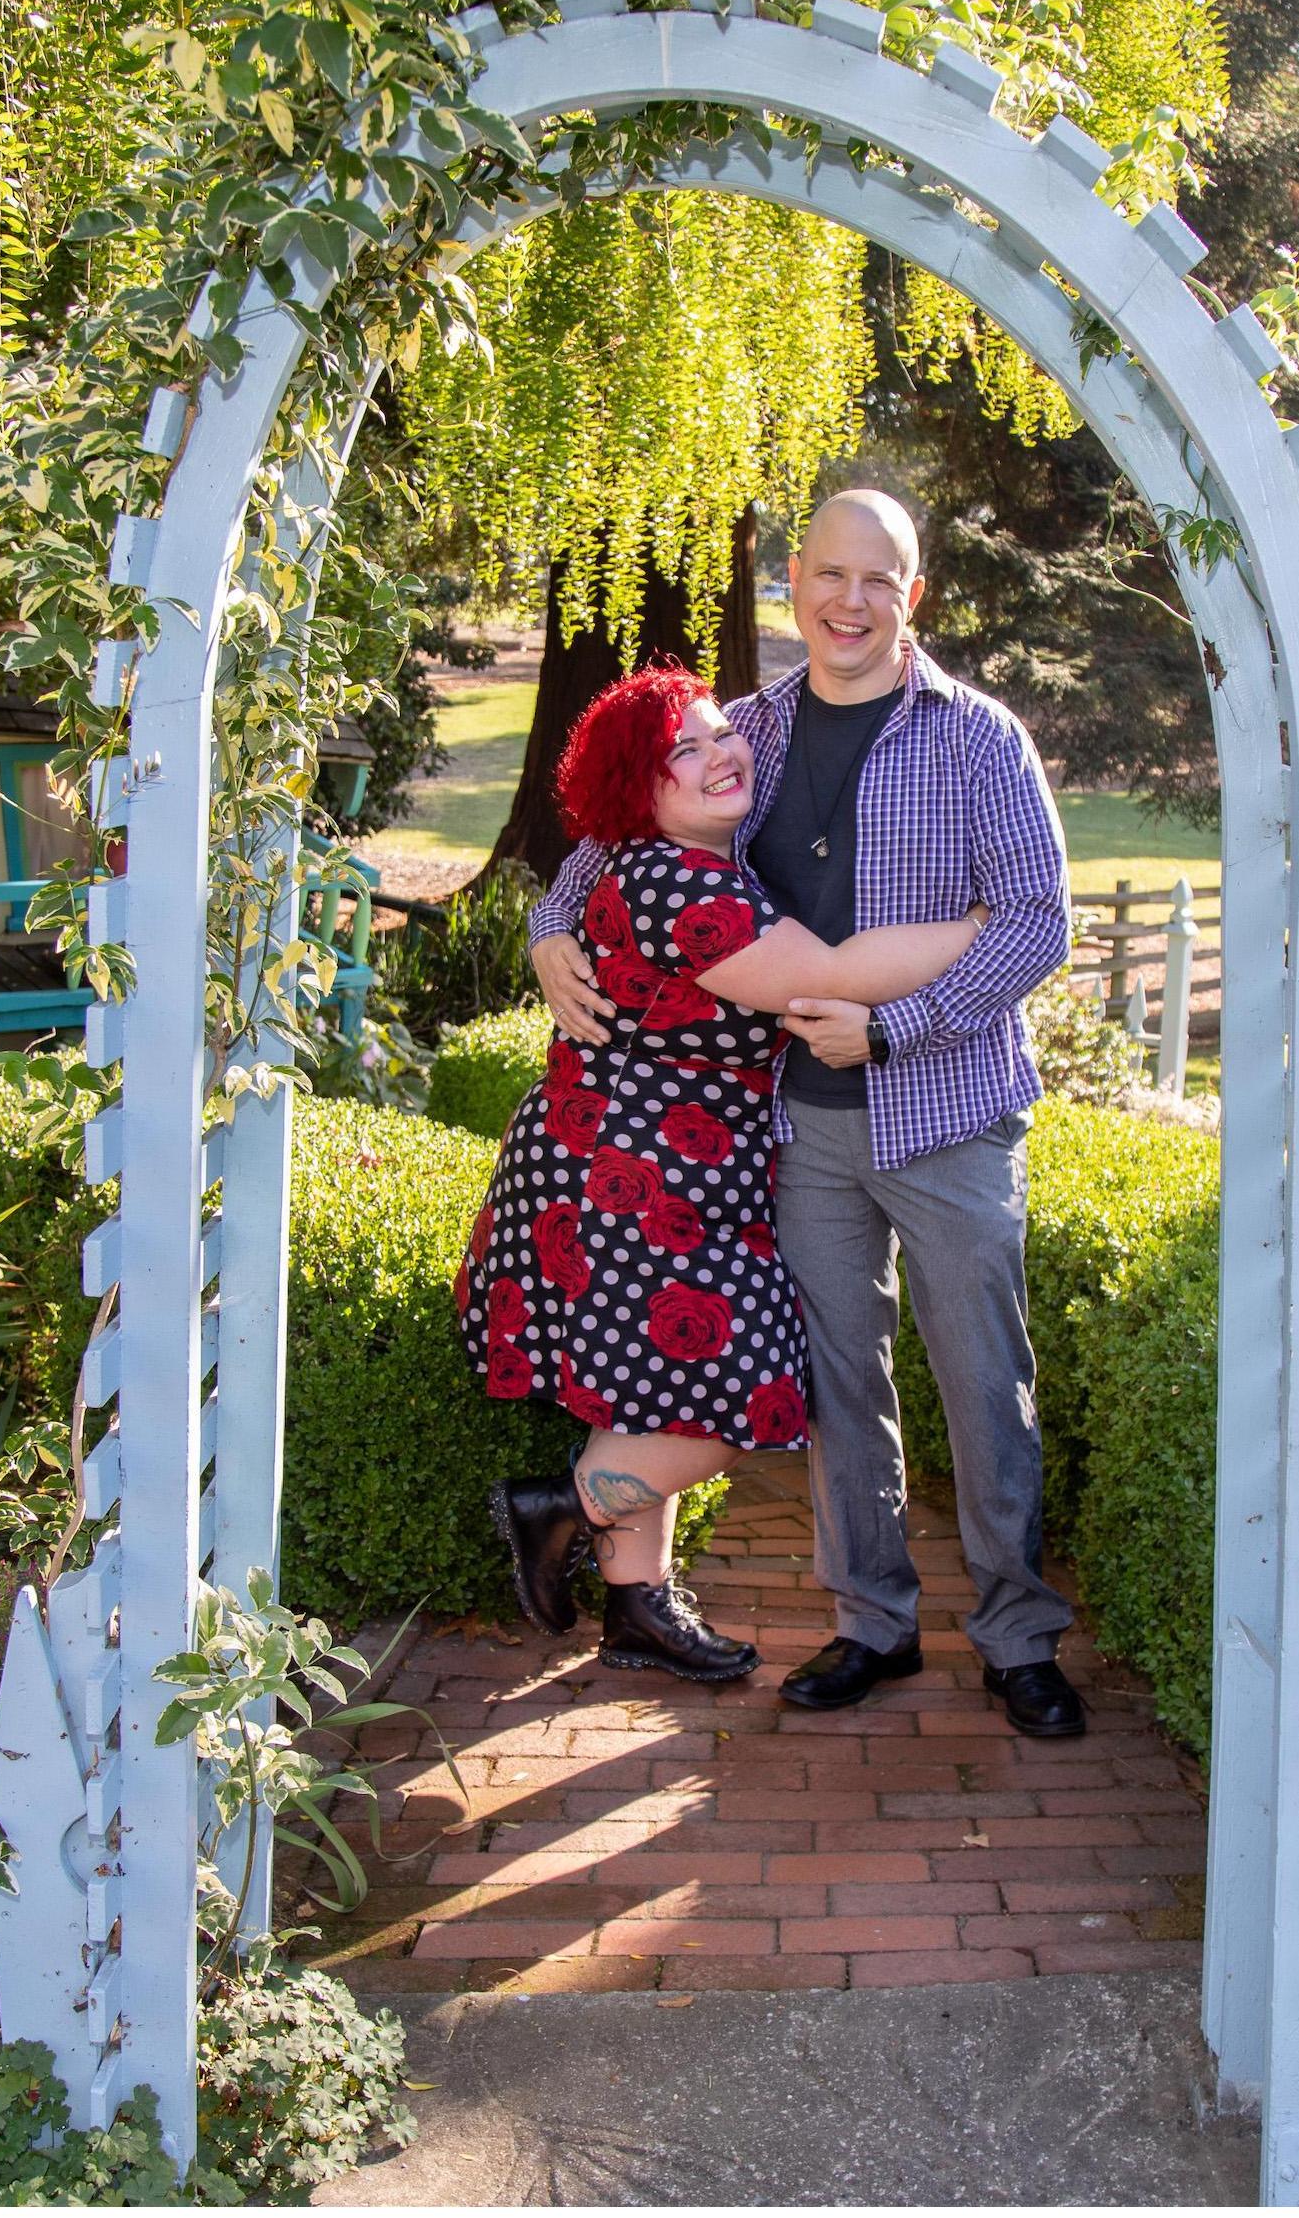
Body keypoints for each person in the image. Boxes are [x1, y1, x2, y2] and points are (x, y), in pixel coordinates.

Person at [528, 491, 1085, 1737]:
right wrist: (548, 926)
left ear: (912, 594)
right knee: (842, 1383)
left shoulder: (979, 738)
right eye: (830, 573)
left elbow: (1040, 922)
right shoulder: (754, 730)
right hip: (795, 1125)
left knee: (983, 1381)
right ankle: (872, 1622)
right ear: (795, 579)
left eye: (878, 579)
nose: (850, 601)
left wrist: (896, 1026)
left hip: (948, 1109)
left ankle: (1017, 1638)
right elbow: (614, 835)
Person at [458, 664, 991, 1685]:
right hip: (635, 1176)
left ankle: (637, 1609)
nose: (719, 755)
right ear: (638, 790)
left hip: (638, 1164)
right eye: (683, 752)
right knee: (752, 1386)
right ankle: (560, 1507)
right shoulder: (680, 884)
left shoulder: (676, 864)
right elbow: (827, 977)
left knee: (647, 1387)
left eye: (718, 733)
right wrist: (977, 929)